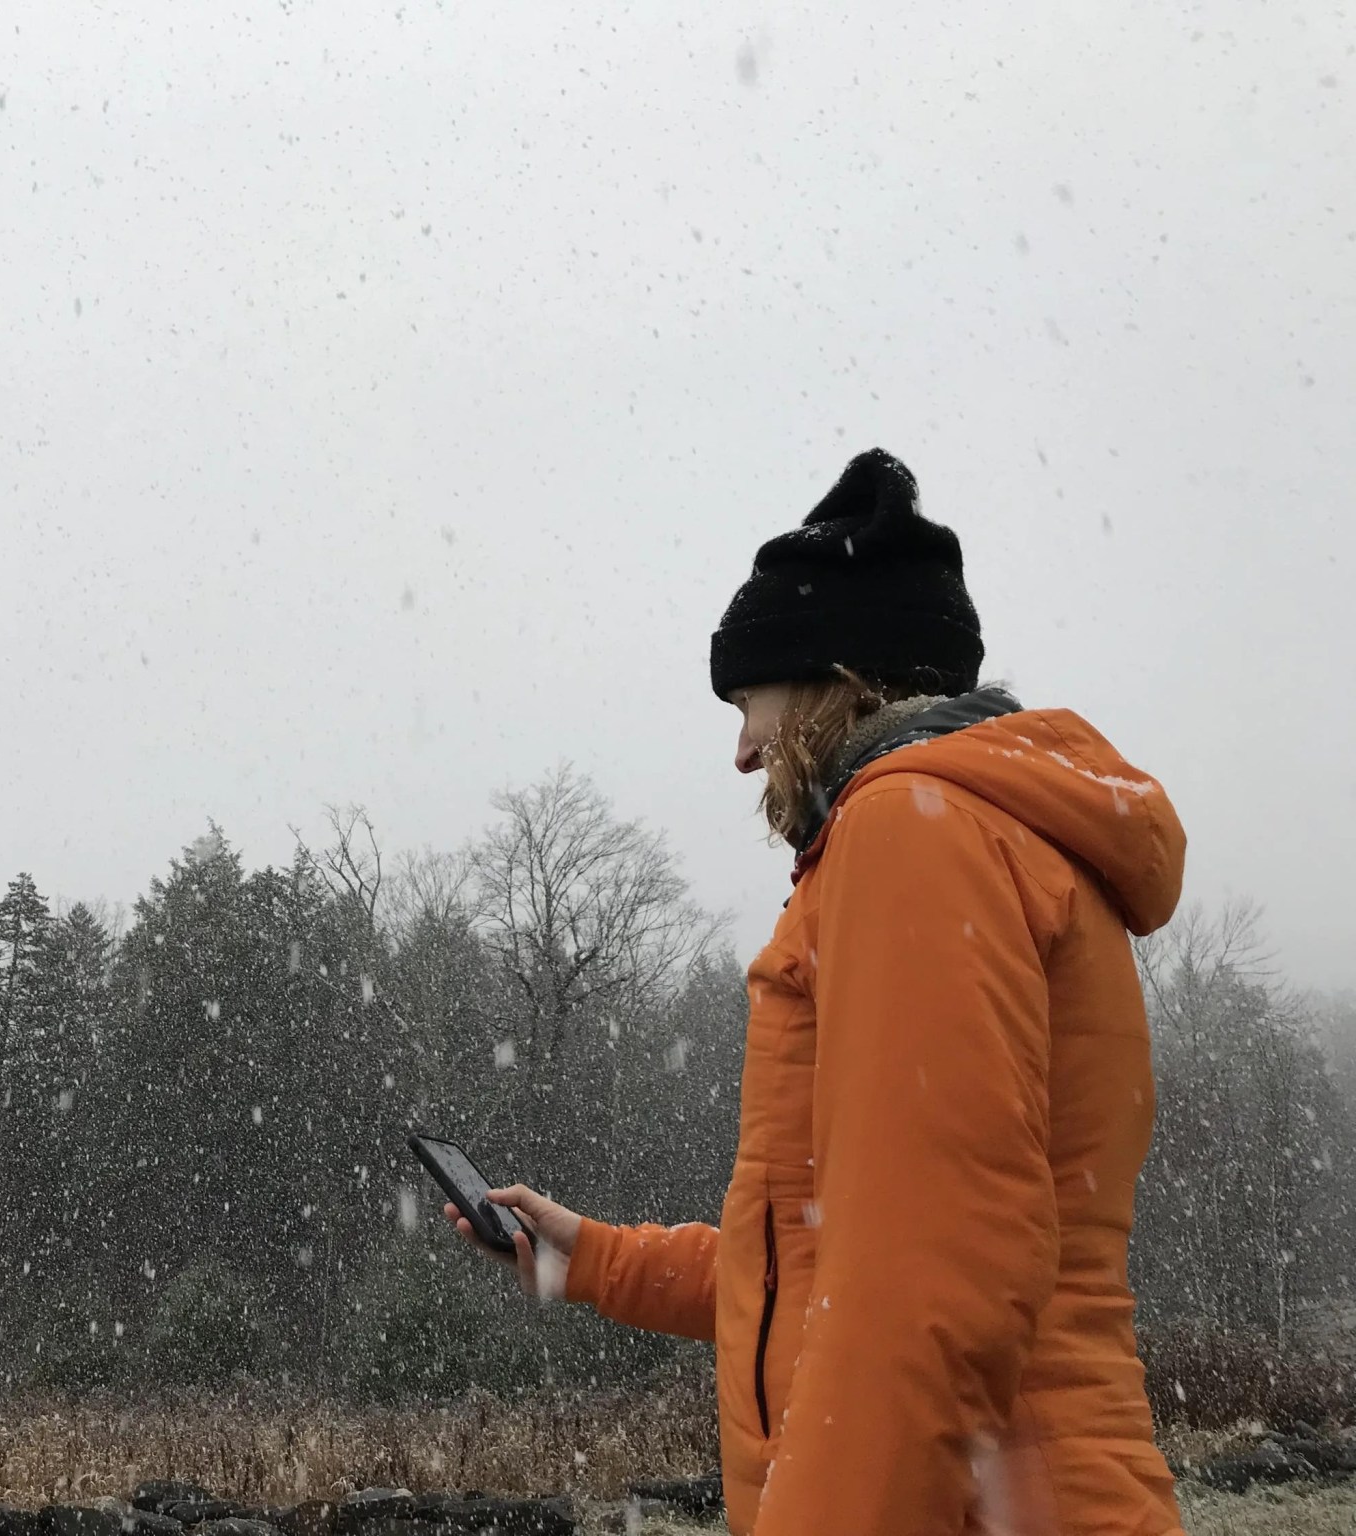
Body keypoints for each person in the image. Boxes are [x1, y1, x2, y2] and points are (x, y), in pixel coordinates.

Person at [445, 449, 1188, 1536]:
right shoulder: (967, 838)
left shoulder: (912, 834)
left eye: (752, 699)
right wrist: (592, 1260)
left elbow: (918, 1286)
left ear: (845, 682)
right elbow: (827, 1261)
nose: (743, 750)